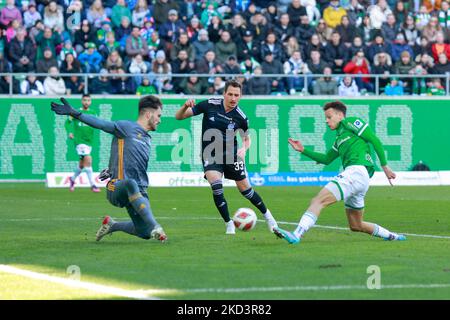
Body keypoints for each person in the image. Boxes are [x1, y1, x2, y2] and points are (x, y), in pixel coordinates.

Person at [273, 101, 406, 244]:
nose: (326, 121)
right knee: (356, 225)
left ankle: (296, 235)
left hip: (356, 172)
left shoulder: (351, 122)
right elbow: (326, 159)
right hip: (360, 178)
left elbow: (374, 140)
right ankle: (393, 236)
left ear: (340, 115)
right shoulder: (339, 139)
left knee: (318, 201)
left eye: (329, 117)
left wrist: (385, 166)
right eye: (326, 118)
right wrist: (303, 150)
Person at [50, 95, 167, 242]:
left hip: (139, 189)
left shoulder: (147, 138)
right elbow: (101, 124)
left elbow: (129, 159)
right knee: (131, 184)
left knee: (144, 232)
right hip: (115, 187)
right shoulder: (127, 127)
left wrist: (111, 168)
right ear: (149, 114)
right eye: (159, 115)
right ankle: (156, 226)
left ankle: (112, 225)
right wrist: (75, 113)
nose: (160, 120)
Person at [175, 79, 278, 235]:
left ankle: (269, 217)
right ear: (224, 94)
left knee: (246, 191)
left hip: (232, 155)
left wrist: (244, 148)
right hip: (210, 153)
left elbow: (246, 138)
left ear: (240, 96)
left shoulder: (241, 117)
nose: (233, 98)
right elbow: (179, 117)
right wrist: (184, 106)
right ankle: (229, 224)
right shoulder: (209, 104)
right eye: (230, 94)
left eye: (236, 95)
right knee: (216, 187)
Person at [64, 94, 101, 193]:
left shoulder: (93, 113)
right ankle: (93, 185)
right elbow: (67, 122)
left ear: (91, 102)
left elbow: (97, 123)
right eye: (84, 100)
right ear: (81, 101)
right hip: (79, 141)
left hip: (89, 142)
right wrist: (70, 132)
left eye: (88, 100)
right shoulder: (76, 112)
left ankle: (72, 179)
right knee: (88, 160)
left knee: (81, 165)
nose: (86, 102)